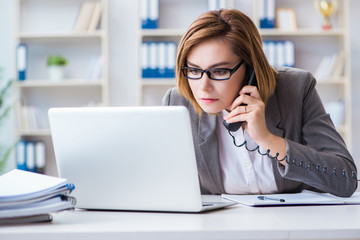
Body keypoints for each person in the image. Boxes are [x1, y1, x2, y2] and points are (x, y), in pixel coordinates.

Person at [162, 9, 358, 197]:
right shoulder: (178, 104)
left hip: (294, 224)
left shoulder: (296, 89)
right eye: (194, 71)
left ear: (250, 69)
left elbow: (346, 179)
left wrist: (267, 139)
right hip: (217, 226)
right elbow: (164, 183)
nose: (203, 87)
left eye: (219, 71)